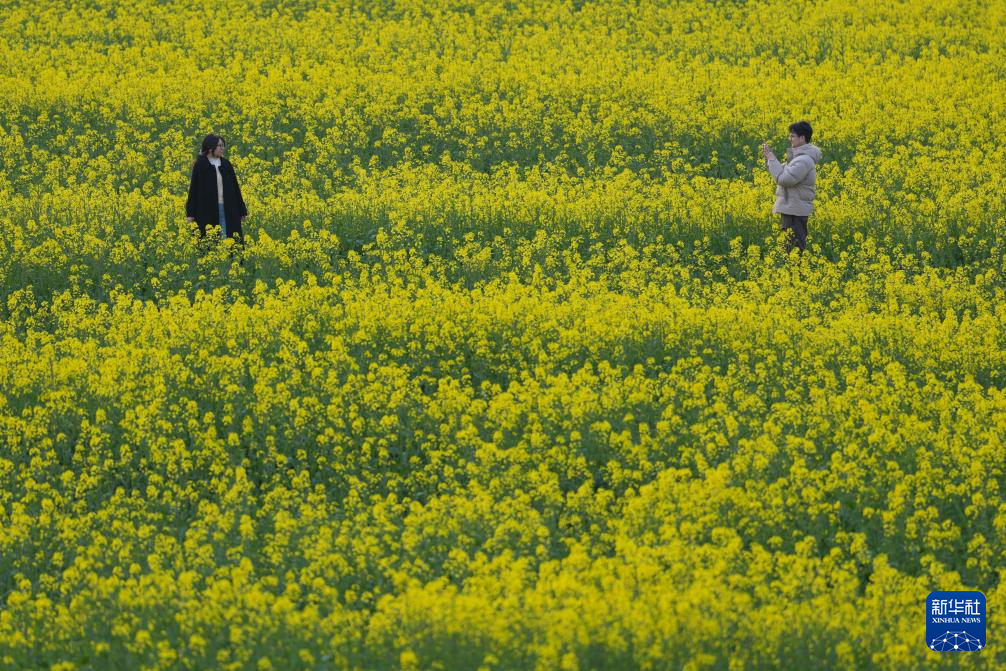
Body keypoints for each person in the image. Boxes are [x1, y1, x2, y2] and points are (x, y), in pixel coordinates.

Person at [761, 121, 822, 253]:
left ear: (802, 138)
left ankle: (797, 267)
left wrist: (772, 159)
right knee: (789, 248)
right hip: (791, 208)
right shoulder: (797, 158)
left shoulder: (804, 160)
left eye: (793, 136)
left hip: (796, 210)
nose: (790, 139)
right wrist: (769, 158)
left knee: (794, 248)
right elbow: (779, 172)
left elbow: (784, 180)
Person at [186, 134, 248, 241]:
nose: (222, 148)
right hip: (206, 209)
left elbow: (235, 188)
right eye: (220, 146)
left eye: (223, 145)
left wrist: (242, 210)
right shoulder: (200, 165)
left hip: (228, 207)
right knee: (210, 239)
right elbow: (193, 190)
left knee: (228, 238)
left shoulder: (226, 164)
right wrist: (190, 213)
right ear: (210, 148)